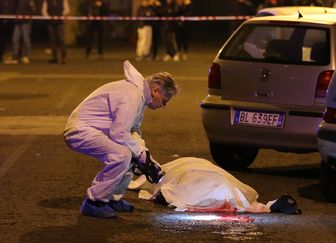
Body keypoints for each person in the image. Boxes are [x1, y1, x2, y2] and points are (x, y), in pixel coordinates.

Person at [63, 60, 180, 218]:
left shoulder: (139, 96)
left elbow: (133, 132)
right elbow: (119, 133)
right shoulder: (132, 95)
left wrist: (147, 159)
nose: (164, 105)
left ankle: (112, 198)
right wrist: (142, 157)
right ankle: (95, 202)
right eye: (165, 100)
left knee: (131, 154)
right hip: (81, 130)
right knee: (122, 155)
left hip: (92, 129)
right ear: (156, 91)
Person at [128, 157, 302, 215]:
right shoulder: (246, 196)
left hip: (198, 172)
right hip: (198, 169)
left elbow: (166, 188)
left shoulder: (246, 195)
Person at [4, 0, 36, 65]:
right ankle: (15, 57)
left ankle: (26, 56)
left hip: (26, 22)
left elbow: (33, 10)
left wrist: (28, 14)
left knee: (26, 39)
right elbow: (12, 8)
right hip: (17, 21)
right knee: (15, 39)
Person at [42, 0, 70, 64]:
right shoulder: (47, 1)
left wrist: (62, 14)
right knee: (53, 40)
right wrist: (48, 17)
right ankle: (54, 58)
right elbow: (44, 11)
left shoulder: (63, 1)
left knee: (61, 40)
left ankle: (64, 58)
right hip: (50, 23)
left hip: (60, 23)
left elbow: (67, 10)